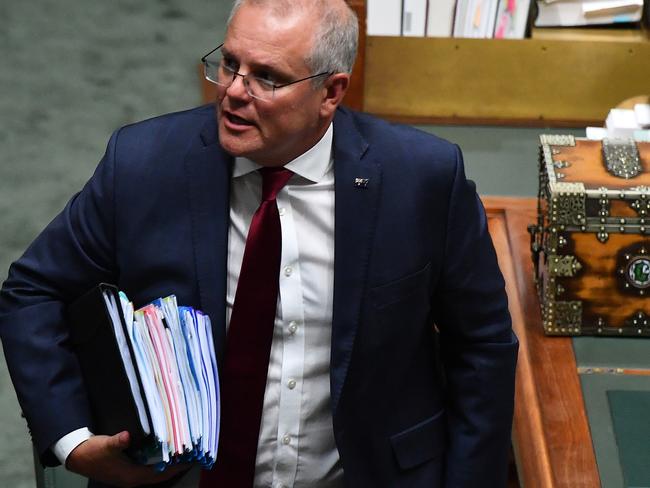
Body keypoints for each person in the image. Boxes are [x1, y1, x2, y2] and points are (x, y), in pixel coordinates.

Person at [0, 0, 518, 487]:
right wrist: (73, 440)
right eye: (229, 63)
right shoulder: (142, 164)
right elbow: (33, 290)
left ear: (331, 93)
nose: (233, 92)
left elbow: (483, 346)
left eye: (267, 77)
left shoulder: (422, 179)